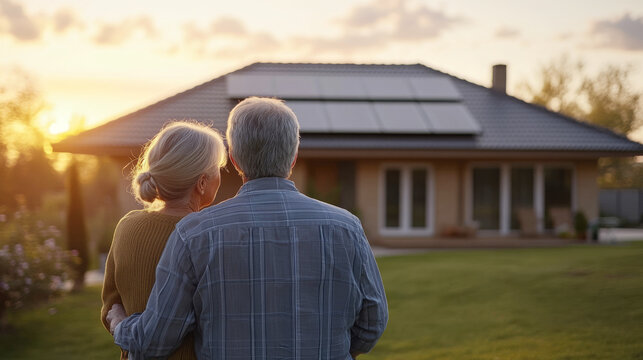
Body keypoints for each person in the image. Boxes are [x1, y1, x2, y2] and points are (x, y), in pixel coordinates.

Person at [107, 97, 388, 359]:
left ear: (234, 159)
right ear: (293, 157)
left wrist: (120, 324)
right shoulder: (347, 228)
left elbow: (157, 339)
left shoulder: (194, 234)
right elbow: (372, 323)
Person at [101, 121, 227, 359]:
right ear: (201, 183)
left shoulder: (127, 226)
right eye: (218, 168)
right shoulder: (209, 237)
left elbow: (110, 308)